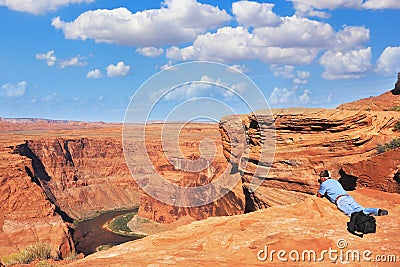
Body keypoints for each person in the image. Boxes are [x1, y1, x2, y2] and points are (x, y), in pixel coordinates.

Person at [316, 170, 388, 216]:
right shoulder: (335, 181)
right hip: (348, 197)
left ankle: (363, 221)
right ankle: (377, 211)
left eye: (320, 178)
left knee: (351, 213)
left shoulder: (324, 184)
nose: (320, 180)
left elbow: (319, 195)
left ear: (323, 178)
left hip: (341, 200)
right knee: (361, 209)